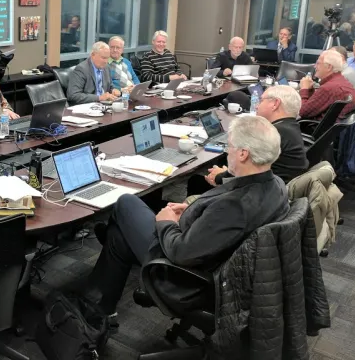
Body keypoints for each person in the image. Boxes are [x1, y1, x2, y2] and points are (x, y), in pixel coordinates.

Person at [86, 116, 289, 315]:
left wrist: (167, 222)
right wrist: (195, 212)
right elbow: (219, 224)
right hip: (219, 258)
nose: (228, 151)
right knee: (118, 238)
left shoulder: (235, 207)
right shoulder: (276, 185)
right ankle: (98, 308)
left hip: (185, 276)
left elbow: (181, 253)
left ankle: (95, 308)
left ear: (243, 154)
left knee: (125, 202)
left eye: (230, 146)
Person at [187, 85, 309, 195]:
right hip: (275, 189)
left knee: (196, 181)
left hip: (260, 193)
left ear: (275, 104)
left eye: (261, 100)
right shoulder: (290, 126)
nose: (256, 105)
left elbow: (249, 169)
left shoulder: (273, 133)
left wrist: (221, 176)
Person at [299, 50, 355, 120]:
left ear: (329, 67)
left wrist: (304, 89)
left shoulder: (329, 88)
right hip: (332, 128)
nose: (315, 66)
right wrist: (310, 91)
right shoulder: (341, 81)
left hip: (314, 128)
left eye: (318, 63)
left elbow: (302, 112)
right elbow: (317, 103)